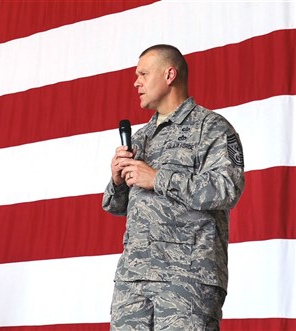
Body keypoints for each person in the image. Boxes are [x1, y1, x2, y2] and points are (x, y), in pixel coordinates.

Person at [102, 44, 245, 330]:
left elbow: (227, 188)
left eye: (143, 73)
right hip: (134, 280)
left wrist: (159, 179)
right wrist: (117, 181)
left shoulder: (213, 128)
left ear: (169, 75)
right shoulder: (140, 137)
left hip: (187, 279)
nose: (136, 82)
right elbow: (117, 206)